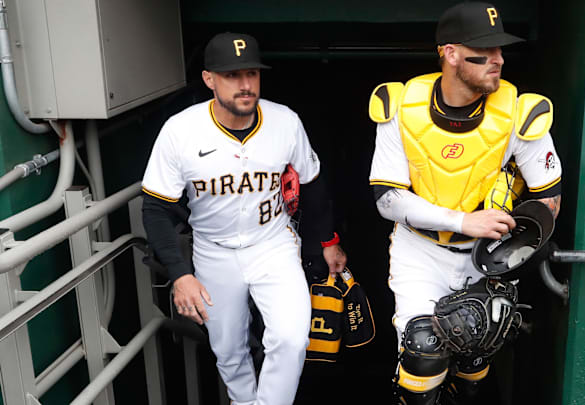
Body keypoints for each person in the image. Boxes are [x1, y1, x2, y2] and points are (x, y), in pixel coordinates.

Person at [367, 3, 562, 404]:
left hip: (490, 256)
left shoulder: (520, 112)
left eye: (501, 51)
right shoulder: (401, 105)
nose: (498, 60)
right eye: (485, 52)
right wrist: (462, 221)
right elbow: (387, 199)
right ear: (450, 53)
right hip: (420, 250)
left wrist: (506, 255)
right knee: (421, 351)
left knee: (475, 363)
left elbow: (548, 200)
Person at [141, 32, 346, 405]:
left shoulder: (284, 121)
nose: (246, 85)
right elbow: (156, 207)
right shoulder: (180, 131)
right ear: (209, 80)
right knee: (229, 350)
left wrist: (327, 240)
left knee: (290, 337)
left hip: (273, 244)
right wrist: (180, 274)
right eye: (233, 76)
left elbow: (314, 183)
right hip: (213, 251)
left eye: (251, 74)